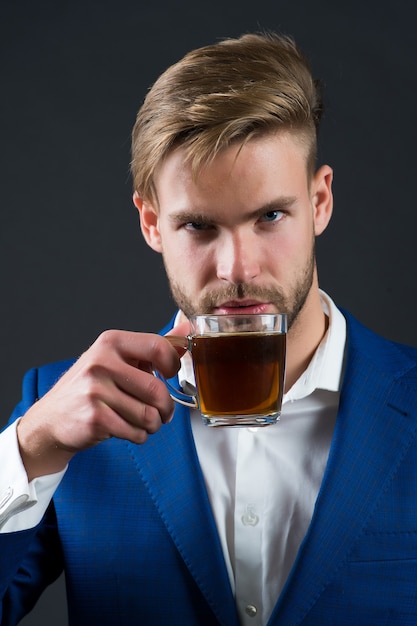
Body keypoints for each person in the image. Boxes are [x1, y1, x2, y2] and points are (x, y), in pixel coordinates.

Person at [1, 31, 417, 626]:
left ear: (320, 201)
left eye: (270, 216)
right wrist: (26, 449)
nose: (238, 269)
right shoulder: (60, 416)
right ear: (151, 224)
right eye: (198, 226)